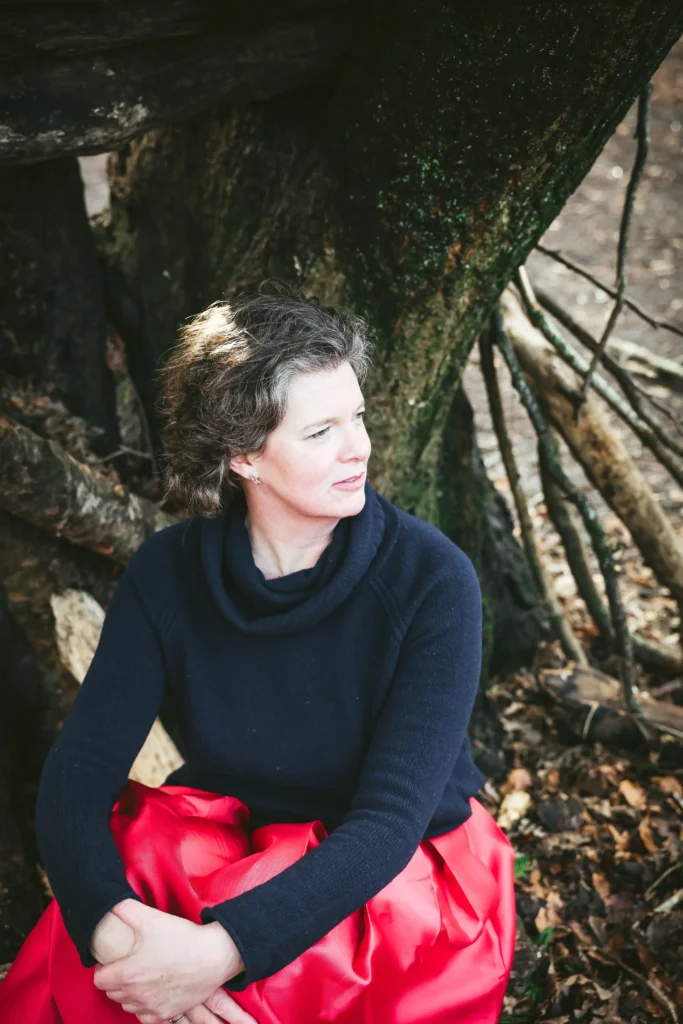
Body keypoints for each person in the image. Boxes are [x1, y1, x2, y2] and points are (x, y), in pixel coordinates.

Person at [0, 287, 516, 1024]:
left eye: (357, 417)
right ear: (242, 453)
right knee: (113, 923)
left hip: (395, 871)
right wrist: (120, 941)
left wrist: (214, 958)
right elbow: (78, 778)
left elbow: (387, 826)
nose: (358, 448)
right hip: (230, 838)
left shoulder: (432, 581)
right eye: (319, 432)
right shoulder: (168, 572)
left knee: (267, 984)